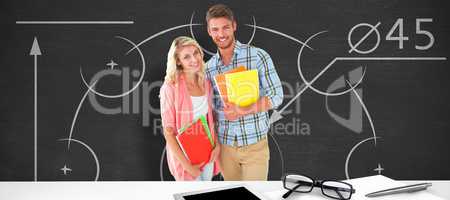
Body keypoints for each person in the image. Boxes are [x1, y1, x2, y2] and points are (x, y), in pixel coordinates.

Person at [205, 4, 284, 181]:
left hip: (254, 144)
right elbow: (210, 109)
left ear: (234, 26)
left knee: (255, 194)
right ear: (209, 31)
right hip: (225, 148)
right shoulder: (208, 68)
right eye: (215, 29)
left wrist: (242, 110)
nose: (221, 34)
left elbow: (277, 96)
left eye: (225, 27)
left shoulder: (258, 56)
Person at [159, 36, 220, 181]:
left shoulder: (206, 83)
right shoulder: (170, 87)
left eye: (196, 53)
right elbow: (168, 132)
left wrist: (217, 146)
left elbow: (211, 120)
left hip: (208, 153)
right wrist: (187, 166)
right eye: (187, 57)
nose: (194, 59)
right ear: (178, 61)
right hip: (186, 158)